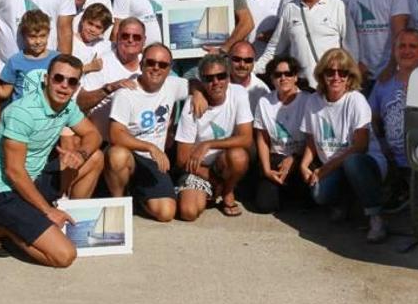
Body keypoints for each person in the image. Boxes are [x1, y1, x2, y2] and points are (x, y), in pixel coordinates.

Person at [0, 55, 105, 267]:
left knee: (95, 157)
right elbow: (14, 172)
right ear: (47, 79)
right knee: (64, 256)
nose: (64, 86)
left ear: (77, 86)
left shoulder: (67, 106)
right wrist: (47, 211)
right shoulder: (23, 112)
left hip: (36, 180)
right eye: (59, 78)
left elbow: (94, 135)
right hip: (6, 193)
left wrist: (80, 154)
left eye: (72, 81)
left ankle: (67, 219)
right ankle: (3, 229)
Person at [298, 48, 388, 243]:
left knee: (353, 163)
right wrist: (304, 165)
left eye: (343, 72)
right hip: (333, 165)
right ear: (322, 75)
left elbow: (360, 147)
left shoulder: (356, 100)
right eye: (330, 72)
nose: (336, 77)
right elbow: (312, 142)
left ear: (350, 77)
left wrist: (323, 170)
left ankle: (376, 218)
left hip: (364, 162)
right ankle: (346, 201)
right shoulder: (313, 101)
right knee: (319, 194)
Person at [106, 44, 189, 222]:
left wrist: (197, 94)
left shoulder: (174, 85)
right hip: (130, 155)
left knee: (166, 213)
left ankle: (137, 196)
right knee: (117, 155)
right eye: (150, 62)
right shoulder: (126, 93)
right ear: (142, 64)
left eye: (162, 64)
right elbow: (116, 133)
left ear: (169, 68)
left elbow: (197, 84)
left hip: (153, 162)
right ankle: (119, 203)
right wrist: (149, 146)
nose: (156, 68)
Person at [175, 54, 253, 220]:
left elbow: (246, 138)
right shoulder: (192, 104)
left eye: (221, 76)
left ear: (229, 76)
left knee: (238, 155)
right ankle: (214, 188)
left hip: (224, 163)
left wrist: (208, 144)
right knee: (188, 212)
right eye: (209, 78)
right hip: (198, 167)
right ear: (201, 80)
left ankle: (228, 191)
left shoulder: (238, 93)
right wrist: (211, 177)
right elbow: (182, 159)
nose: (216, 82)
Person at [256, 0, 357, 86]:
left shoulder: (338, 6)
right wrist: (254, 69)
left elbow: (351, 49)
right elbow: (275, 49)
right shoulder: (290, 8)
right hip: (302, 88)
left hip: (332, 85)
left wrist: (351, 80)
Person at [369, 29, 418, 211]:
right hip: (392, 160)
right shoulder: (383, 82)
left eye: (412, 46)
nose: (406, 51)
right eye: (402, 46)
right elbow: (372, 119)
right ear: (394, 51)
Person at [253, 56, 312, 213]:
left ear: (296, 76)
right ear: (271, 78)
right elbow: (262, 138)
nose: (283, 78)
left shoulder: (308, 100)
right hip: (276, 156)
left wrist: (294, 158)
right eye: (278, 75)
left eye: (288, 73)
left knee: (309, 203)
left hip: (302, 158)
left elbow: (312, 139)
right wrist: (266, 170)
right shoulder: (264, 102)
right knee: (265, 206)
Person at [77, 18, 145, 141]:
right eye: (125, 36)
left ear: (144, 40)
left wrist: (193, 90)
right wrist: (109, 88)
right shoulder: (103, 64)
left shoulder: (151, 63)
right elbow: (81, 102)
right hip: (105, 141)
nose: (130, 40)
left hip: (141, 140)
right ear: (117, 37)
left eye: (136, 37)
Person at [0, 10, 59, 102]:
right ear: (23, 35)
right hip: (22, 113)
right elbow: (5, 92)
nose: (38, 41)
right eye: (33, 36)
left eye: (42, 36)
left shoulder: (57, 59)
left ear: (48, 34)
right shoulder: (15, 61)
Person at [72, 3, 113, 75]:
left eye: (98, 27)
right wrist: (89, 67)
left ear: (104, 30)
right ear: (82, 21)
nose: (92, 29)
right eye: (90, 24)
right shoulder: (71, 41)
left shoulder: (106, 45)